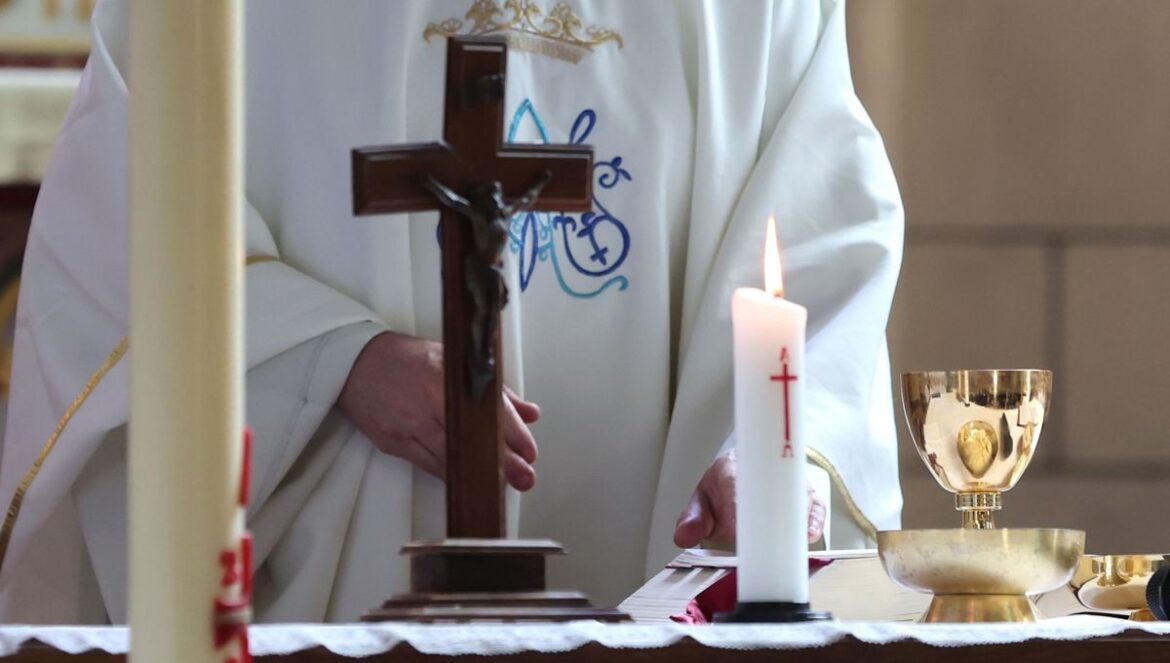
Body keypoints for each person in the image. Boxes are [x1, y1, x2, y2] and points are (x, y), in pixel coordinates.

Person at [0, 0, 903, 623]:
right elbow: (122, 201)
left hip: (643, 570)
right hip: (334, 568)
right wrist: (330, 359)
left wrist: (776, 445)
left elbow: (818, 228)